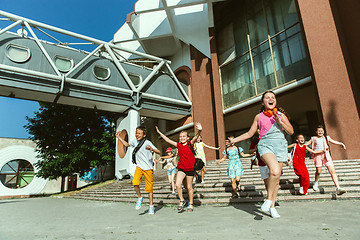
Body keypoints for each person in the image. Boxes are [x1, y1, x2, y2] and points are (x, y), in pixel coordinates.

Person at [228, 90, 294, 218]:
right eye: (267, 97)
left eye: (273, 97)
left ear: (275, 101)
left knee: (276, 179)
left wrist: (280, 122)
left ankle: (272, 207)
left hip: (280, 146)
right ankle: (269, 200)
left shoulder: (281, 115)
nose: (270, 99)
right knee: (274, 171)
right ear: (263, 102)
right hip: (265, 145)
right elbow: (249, 134)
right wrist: (234, 140)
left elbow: (291, 131)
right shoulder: (258, 117)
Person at [156, 122, 202, 213]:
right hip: (181, 168)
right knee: (177, 184)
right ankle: (182, 200)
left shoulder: (190, 143)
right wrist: (160, 133)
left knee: (189, 187)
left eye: (184, 136)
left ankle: (191, 204)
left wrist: (200, 130)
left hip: (190, 169)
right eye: (180, 137)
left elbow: (196, 137)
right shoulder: (178, 145)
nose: (182, 138)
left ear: (187, 137)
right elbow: (168, 140)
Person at [115, 126, 160, 215]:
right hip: (139, 167)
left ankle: (151, 206)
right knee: (135, 182)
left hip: (148, 168)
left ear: (144, 135)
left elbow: (158, 151)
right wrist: (119, 137)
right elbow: (127, 145)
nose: (137, 135)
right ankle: (140, 198)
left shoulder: (148, 142)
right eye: (136, 133)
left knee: (149, 189)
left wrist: (152, 149)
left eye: (139, 133)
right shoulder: (134, 141)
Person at [305, 125, 346, 195]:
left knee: (332, 171)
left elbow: (334, 141)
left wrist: (341, 144)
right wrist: (313, 152)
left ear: (323, 131)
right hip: (318, 156)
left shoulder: (326, 138)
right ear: (316, 132)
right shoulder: (313, 138)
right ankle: (316, 182)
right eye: (319, 131)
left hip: (326, 156)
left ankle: (338, 187)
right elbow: (305, 145)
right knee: (318, 171)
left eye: (322, 130)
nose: (320, 132)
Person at [249, 132, 280, 208]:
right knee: (267, 182)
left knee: (275, 181)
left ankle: (273, 200)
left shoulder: (271, 137)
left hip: (272, 162)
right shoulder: (255, 140)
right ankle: (270, 198)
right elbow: (249, 151)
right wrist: (255, 149)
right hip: (262, 163)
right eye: (259, 128)